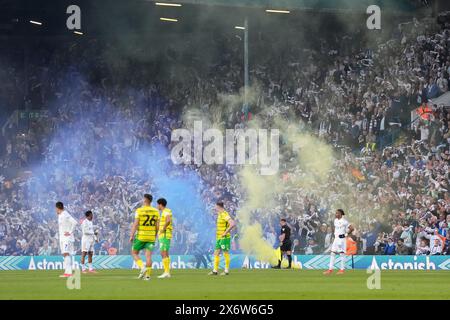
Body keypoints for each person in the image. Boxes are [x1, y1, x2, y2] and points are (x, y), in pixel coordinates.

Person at [129, 194, 160, 280]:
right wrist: (155, 235)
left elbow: (135, 224)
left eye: (143, 199)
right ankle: (148, 276)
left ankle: (142, 268)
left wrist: (131, 235)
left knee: (134, 253)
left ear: (145, 200)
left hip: (141, 236)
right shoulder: (156, 211)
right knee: (148, 256)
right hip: (151, 237)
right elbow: (157, 226)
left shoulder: (139, 210)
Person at [208, 201, 235, 276]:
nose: (215, 208)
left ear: (218, 207)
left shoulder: (224, 214)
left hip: (224, 237)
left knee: (225, 253)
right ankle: (215, 271)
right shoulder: (220, 214)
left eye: (215, 207)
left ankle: (226, 271)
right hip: (219, 237)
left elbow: (232, 223)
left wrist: (225, 232)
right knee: (216, 253)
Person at [323, 209, 350, 275]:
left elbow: (351, 228)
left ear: (340, 214)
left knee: (342, 253)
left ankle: (342, 270)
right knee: (332, 253)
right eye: (335, 213)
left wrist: (345, 234)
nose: (336, 214)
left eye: (337, 213)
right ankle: (330, 270)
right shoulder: (335, 220)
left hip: (341, 239)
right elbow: (335, 229)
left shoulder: (344, 221)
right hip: (336, 238)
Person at [56, 202, 78, 278]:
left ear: (57, 208)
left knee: (66, 253)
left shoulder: (65, 214)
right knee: (64, 254)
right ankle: (67, 271)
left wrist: (70, 232)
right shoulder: (60, 215)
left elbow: (75, 222)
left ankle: (68, 272)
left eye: (55, 208)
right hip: (62, 238)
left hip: (66, 238)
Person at [156, 198, 172, 278]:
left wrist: (163, 229)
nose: (157, 206)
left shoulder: (166, 211)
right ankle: (167, 272)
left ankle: (166, 272)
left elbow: (168, 220)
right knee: (165, 253)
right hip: (163, 235)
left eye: (157, 204)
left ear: (160, 204)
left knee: (163, 252)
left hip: (165, 234)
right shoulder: (163, 212)